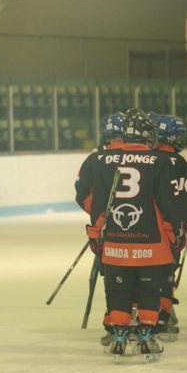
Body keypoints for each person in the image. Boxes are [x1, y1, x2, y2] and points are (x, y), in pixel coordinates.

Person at [87, 108, 187, 362]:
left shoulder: (106, 160)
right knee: (149, 291)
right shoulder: (161, 162)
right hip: (152, 245)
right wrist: (174, 235)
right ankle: (146, 336)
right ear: (149, 135)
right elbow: (168, 206)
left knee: (118, 292)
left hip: (115, 244)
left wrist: (95, 235)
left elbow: (98, 206)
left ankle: (120, 337)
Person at [74, 112, 125, 345]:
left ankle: (115, 322)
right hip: (145, 229)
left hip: (106, 232)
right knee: (143, 274)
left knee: (114, 278)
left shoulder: (94, 159)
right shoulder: (148, 157)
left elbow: (82, 194)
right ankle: (147, 318)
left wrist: (98, 216)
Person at [151, 113, 187, 340]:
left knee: (147, 276)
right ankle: (164, 315)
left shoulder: (150, 161)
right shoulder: (184, 165)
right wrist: (186, 230)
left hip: (150, 232)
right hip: (174, 233)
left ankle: (145, 314)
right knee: (167, 276)